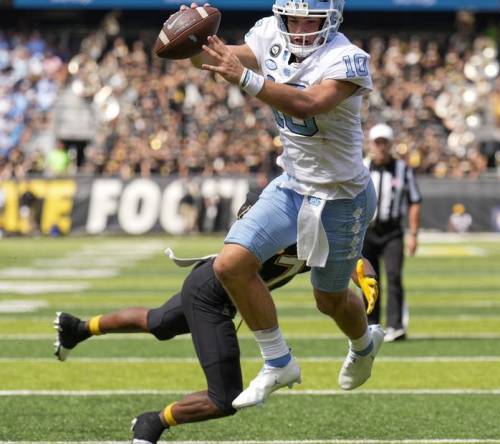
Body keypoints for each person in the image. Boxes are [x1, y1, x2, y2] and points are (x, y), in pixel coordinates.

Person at [53, 197, 380, 444]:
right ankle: (153, 422)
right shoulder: (276, 221)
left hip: (211, 288)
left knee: (158, 323)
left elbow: (351, 259)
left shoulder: (316, 236)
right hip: (211, 295)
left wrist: (365, 277)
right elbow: (247, 223)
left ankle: (78, 329)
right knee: (224, 398)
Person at [185, 0, 382, 409]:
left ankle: (363, 344)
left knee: (328, 299)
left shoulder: (347, 58)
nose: (299, 26)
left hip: (342, 196)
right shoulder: (269, 36)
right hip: (292, 185)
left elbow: (307, 103)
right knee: (229, 264)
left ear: (329, 19)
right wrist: (189, 36)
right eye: (292, 16)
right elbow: (214, 59)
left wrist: (245, 78)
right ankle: (278, 362)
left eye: (309, 18)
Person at [362, 123, 422, 342]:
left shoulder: (403, 169)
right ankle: (370, 325)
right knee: (368, 279)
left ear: (390, 144)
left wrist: (414, 233)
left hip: (392, 231)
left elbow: (415, 201)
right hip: (366, 231)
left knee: (394, 276)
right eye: (377, 142)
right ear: (371, 144)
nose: (381, 147)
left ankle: (396, 326)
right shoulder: (361, 167)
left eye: (384, 142)